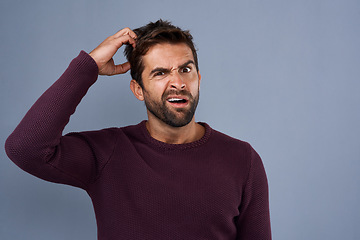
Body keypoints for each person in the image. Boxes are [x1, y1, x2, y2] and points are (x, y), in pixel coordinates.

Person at [5, 20, 271, 239]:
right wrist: (88, 67)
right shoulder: (109, 152)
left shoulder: (242, 160)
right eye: (160, 73)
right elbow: (26, 148)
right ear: (138, 90)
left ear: (198, 79)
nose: (177, 82)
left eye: (185, 69)